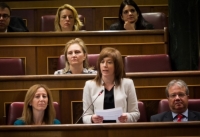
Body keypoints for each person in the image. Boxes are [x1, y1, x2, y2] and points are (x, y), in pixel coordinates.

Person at [82, 47, 140, 124]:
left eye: (109, 62)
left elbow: (136, 114)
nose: (105, 65)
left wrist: (127, 117)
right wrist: (92, 119)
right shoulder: (89, 85)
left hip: (121, 131)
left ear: (117, 66)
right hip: (98, 131)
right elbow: (85, 116)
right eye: (102, 62)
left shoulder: (128, 84)